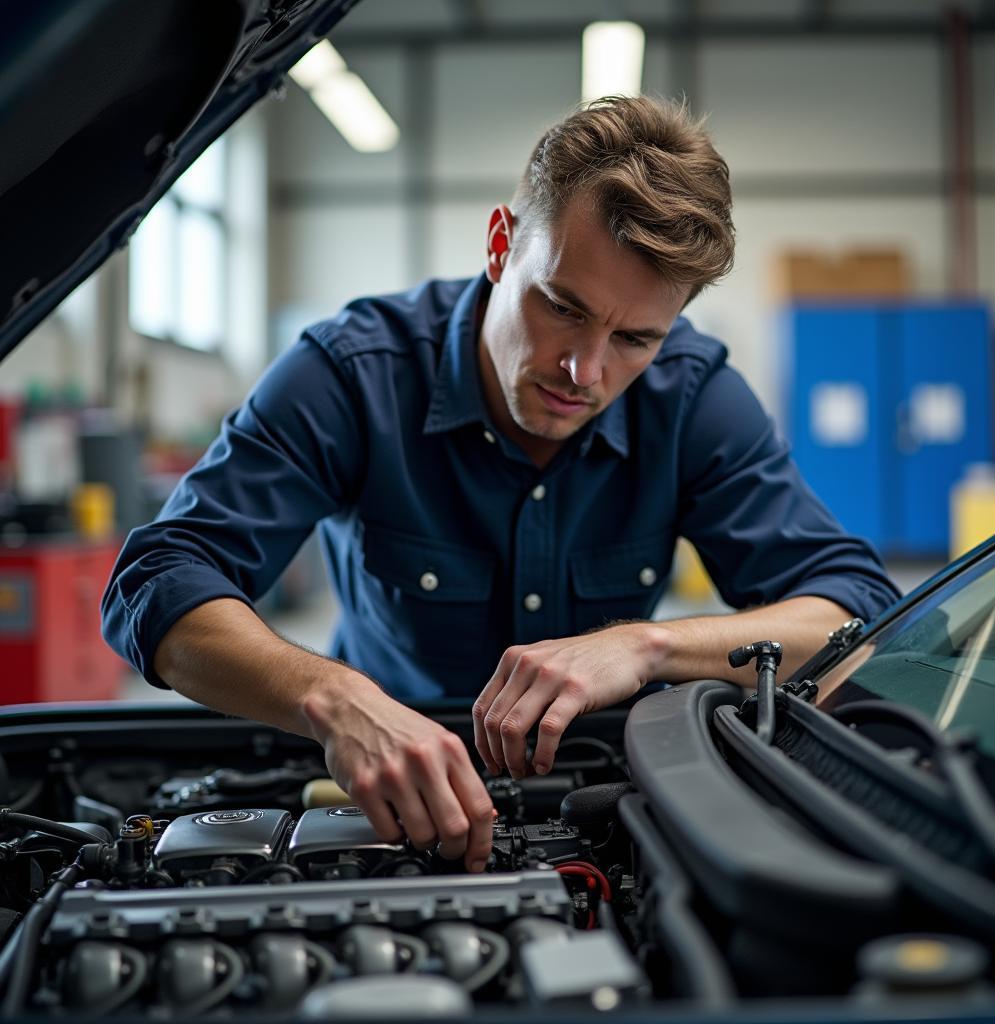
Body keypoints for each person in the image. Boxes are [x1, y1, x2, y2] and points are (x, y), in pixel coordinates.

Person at [101, 96, 900, 874]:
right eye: (560, 306)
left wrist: (645, 646)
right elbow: (157, 582)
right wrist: (336, 700)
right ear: (500, 243)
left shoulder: (692, 399)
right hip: (372, 790)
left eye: (635, 338)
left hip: (597, 796)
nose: (585, 371)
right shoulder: (353, 375)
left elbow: (851, 609)